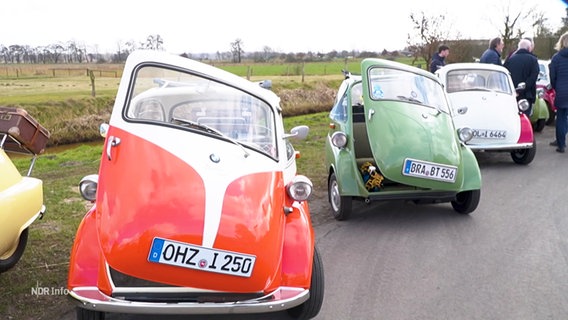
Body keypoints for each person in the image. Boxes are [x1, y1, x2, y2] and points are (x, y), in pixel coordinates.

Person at [503, 38, 539, 116]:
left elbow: (505, 76)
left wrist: (514, 90)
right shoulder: (533, 60)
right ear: (529, 48)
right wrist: (524, 88)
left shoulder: (510, 59)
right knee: (525, 117)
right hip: (527, 94)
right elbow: (533, 77)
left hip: (512, 93)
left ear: (518, 48)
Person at [549, 32, 568, 153]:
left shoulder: (556, 58)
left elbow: (553, 77)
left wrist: (557, 87)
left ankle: (561, 144)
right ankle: (561, 138)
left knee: (560, 117)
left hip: (562, 91)